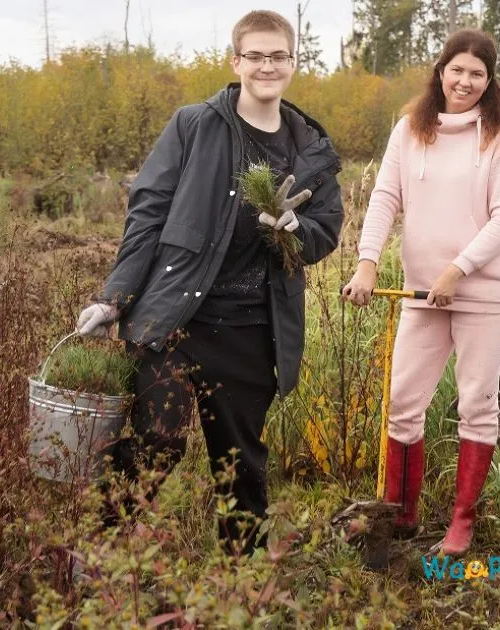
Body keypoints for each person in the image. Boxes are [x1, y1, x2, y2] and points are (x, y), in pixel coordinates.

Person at [74, 10, 343, 553]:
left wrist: (295, 230)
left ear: (293, 63)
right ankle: (99, 550)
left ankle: (239, 580)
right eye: (256, 56)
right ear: (236, 61)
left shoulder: (309, 149)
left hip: (252, 330)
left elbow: (326, 231)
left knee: (240, 463)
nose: (267, 66)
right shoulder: (195, 124)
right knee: (158, 443)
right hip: (176, 318)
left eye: (278, 56)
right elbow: (147, 213)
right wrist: (115, 297)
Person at [341, 28, 500, 557]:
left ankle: (462, 522)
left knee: (476, 405)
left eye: (477, 74)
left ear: (489, 83)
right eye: (457, 69)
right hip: (421, 293)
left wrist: (458, 270)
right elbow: (384, 198)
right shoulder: (409, 130)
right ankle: (401, 513)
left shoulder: (498, 137)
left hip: (481, 294)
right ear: (440, 70)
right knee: (402, 402)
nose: (464, 81)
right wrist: (367, 263)